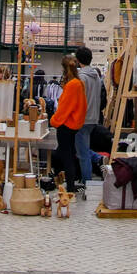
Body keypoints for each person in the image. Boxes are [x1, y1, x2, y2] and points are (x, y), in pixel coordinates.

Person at [50, 54, 87, 196]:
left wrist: (54, 121)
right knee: (70, 154)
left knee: (66, 155)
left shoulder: (72, 85)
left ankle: (70, 186)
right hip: (74, 125)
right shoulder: (79, 83)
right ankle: (70, 183)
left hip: (65, 126)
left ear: (65, 68)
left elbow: (64, 107)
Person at [74, 45, 104, 184]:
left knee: (82, 153)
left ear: (78, 60)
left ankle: (87, 183)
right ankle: (98, 158)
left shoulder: (81, 78)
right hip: (93, 118)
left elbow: (79, 100)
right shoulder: (97, 76)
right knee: (82, 149)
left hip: (82, 119)